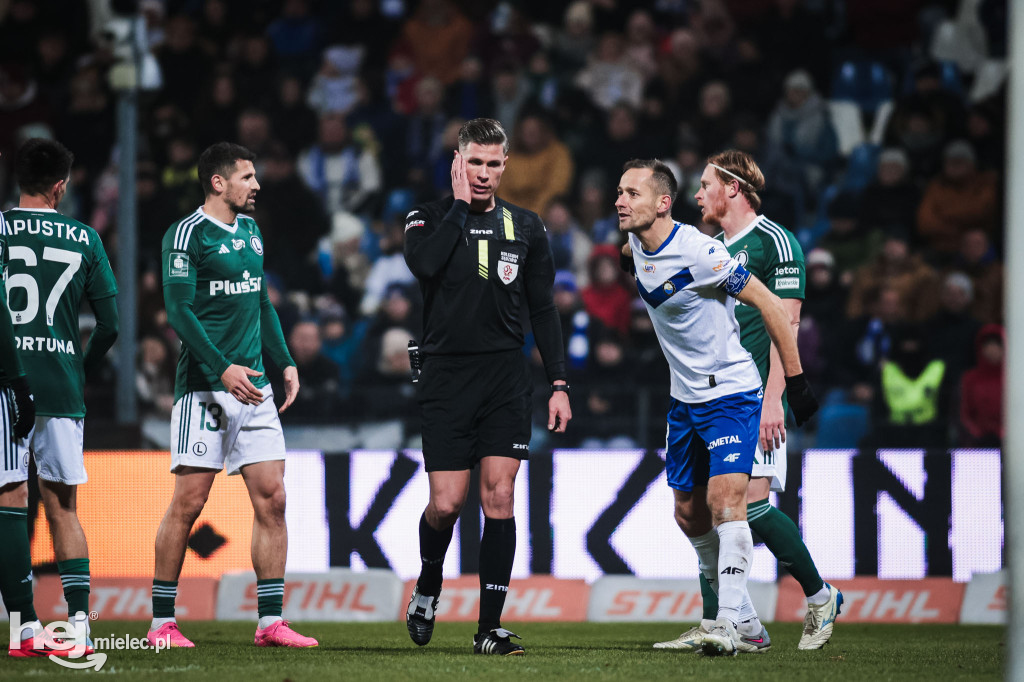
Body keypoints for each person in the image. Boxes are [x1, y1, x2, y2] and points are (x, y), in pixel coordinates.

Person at [617, 159, 819, 656]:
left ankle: (725, 622)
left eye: (631, 194)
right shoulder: (635, 245)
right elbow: (636, 262)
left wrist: (794, 383)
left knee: (729, 505)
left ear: (663, 203)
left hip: (730, 391)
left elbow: (772, 305)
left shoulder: (701, 252)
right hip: (684, 399)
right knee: (688, 513)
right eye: (619, 192)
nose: (620, 201)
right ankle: (747, 623)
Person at [403, 118, 571, 656]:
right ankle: (430, 581)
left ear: (505, 166)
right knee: (447, 504)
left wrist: (559, 383)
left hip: (505, 377)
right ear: (458, 162)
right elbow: (424, 265)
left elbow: (543, 309)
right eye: (473, 163)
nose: (483, 174)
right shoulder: (425, 218)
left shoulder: (528, 226)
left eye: (493, 164)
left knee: (499, 494)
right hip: (446, 376)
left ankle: (488, 629)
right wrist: (456, 207)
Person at [149, 142, 317, 649]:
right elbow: (179, 311)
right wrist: (221, 369)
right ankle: (161, 623)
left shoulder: (251, 231)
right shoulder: (185, 236)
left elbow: (260, 299)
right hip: (205, 389)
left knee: (275, 499)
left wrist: (284, 359)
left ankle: (270, 622)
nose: (257, 184)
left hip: (257, 391)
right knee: (189, 503)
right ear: (218, 182)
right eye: (247, 176)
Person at [0, 138, 119, 655]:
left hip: (7, 382)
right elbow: (111, 325)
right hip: (61, 385)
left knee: (9, 498)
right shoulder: (86, 237)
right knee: (63, 508)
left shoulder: (1, 228)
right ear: (61, 187)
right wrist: (81, 372)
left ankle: (23, 625)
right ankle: (78, 625)